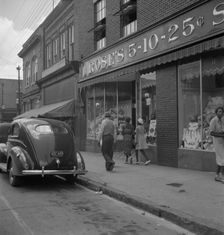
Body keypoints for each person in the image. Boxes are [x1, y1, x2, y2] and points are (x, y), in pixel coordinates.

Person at [210, 107, 224, 183]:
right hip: (217, 142)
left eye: (222, 112)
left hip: (222, 141)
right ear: (216, 112)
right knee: (222, 158)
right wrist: (220, 135)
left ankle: (217, 175)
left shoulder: (223, 119)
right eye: (219, 111)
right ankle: (221, 176)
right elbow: (211, 132)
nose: (221, 113)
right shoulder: (213, 120)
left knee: (220, 158)